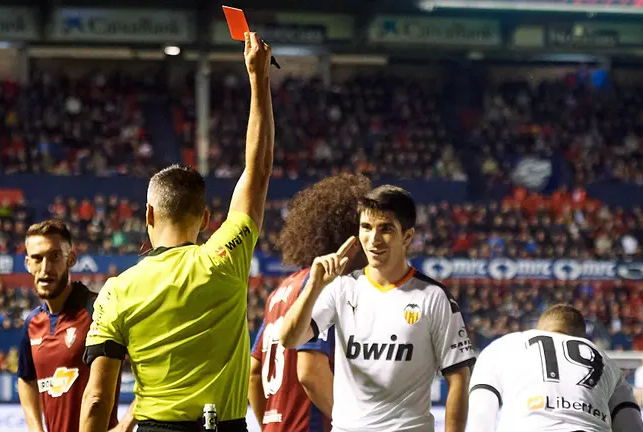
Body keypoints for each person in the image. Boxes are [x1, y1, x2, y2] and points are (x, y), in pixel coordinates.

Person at [79, 31, 274, 432]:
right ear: (205, 219)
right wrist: (258, 80)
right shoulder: (224, 257)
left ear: (148, 214)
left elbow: (98, 398)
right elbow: (256, 172)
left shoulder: (118, 290)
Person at [279, 185, 475, 432]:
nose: (373, 240)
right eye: (366, 228)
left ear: (407, 236)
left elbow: (458, 378)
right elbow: (289, 339)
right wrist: (314, 287)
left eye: (386, 229)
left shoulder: (434, 297)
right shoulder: (341, 289)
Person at [248, 174, 371, 432]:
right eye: (366, 231)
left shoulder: (281, 290)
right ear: (351, 240)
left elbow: (253, 372)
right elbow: (310, 372)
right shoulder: (327, 287)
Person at [17, 220, 135, 432]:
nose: (45, 268)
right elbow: (25, 379)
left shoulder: (99, 310)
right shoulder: (32, 323)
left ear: (71, 259)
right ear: (28, 263)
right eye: (37, 259)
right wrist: (36, 429)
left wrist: (126, 424)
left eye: (54, 256)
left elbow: (153, 364)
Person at [466, 304, 643, 432]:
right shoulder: (607, 361)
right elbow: (631, 424)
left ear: (540, 328)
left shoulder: (503, 346)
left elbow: (481, 416)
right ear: (581, 337)